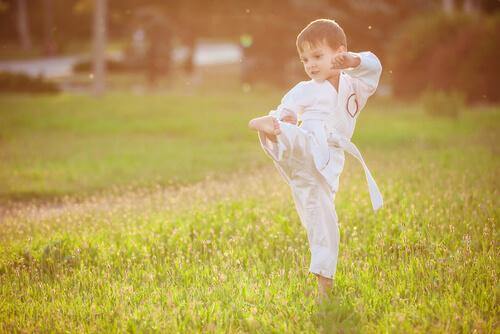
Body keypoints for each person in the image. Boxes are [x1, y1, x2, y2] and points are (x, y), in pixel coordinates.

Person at [248, 19, 383, 301]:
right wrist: (283, 119)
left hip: (329, 163)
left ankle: (325, 287)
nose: (310, 64)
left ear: (340, 52)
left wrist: (354, 60)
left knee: (323, 220)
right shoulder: (306, 88)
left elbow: (374, 67)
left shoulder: (355, 86)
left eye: (317, 56)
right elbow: (289, 106)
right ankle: (273, 129)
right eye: (305, 59)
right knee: (295, 135)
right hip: (306, 145)